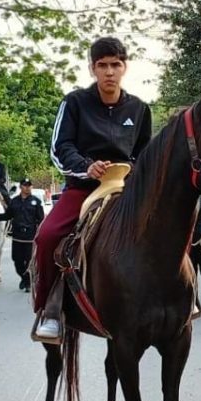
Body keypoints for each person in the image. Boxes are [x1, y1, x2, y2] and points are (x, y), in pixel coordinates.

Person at [33, 36, 152, 340]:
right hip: (83, 188)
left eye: (115, 64)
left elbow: (145, 154)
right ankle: (49, 309)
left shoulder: (139, 109)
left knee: (170, 224)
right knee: (46, 237)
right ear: (92, 68)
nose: (109, 71)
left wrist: (134, 173)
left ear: (125, 67)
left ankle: (183, 296)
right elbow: (60, 148)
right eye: (103, 65)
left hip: (126, 190)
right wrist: (86, 166)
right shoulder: (74, 102)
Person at [0, 178, 44, 292]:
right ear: (21, 187)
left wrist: (40, 232)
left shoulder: (36, 201)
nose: (27, 187)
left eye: (29, 185)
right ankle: (24, 277)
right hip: (17, 236)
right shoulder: (14, 201)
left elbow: (41, 219)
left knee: (28, 260)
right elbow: (8, 215)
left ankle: (27, 282)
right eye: (25, 185)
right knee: (17, 261)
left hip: (30, 237)